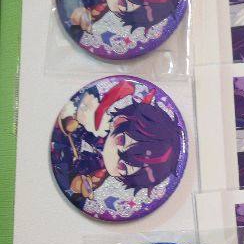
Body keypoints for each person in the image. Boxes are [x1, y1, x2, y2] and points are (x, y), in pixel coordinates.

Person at [51, 80, 182, 209]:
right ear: (119, 121)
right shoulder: (96, 129)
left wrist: (83, 184)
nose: (113, 156)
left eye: (122, 166)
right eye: (121, 141)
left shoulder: (98, 174)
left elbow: (76, 188)